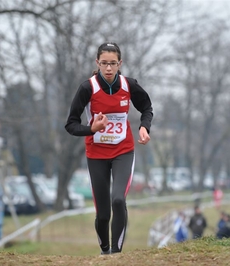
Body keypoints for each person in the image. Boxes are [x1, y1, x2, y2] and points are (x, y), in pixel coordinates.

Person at [65, 42, 153, 254]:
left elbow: (147, 108)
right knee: (103, 214)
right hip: (96, 154)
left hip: (123, 151)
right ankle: (105, 251)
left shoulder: (128, 85)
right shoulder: (88, 88)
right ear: (97, 63)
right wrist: (91, 128)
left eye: (113, 63)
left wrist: (144, 127)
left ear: (119, 63)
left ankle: (116, 255)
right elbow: (71, 124)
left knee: (118, 199)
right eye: (104, 63)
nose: (109, 68)